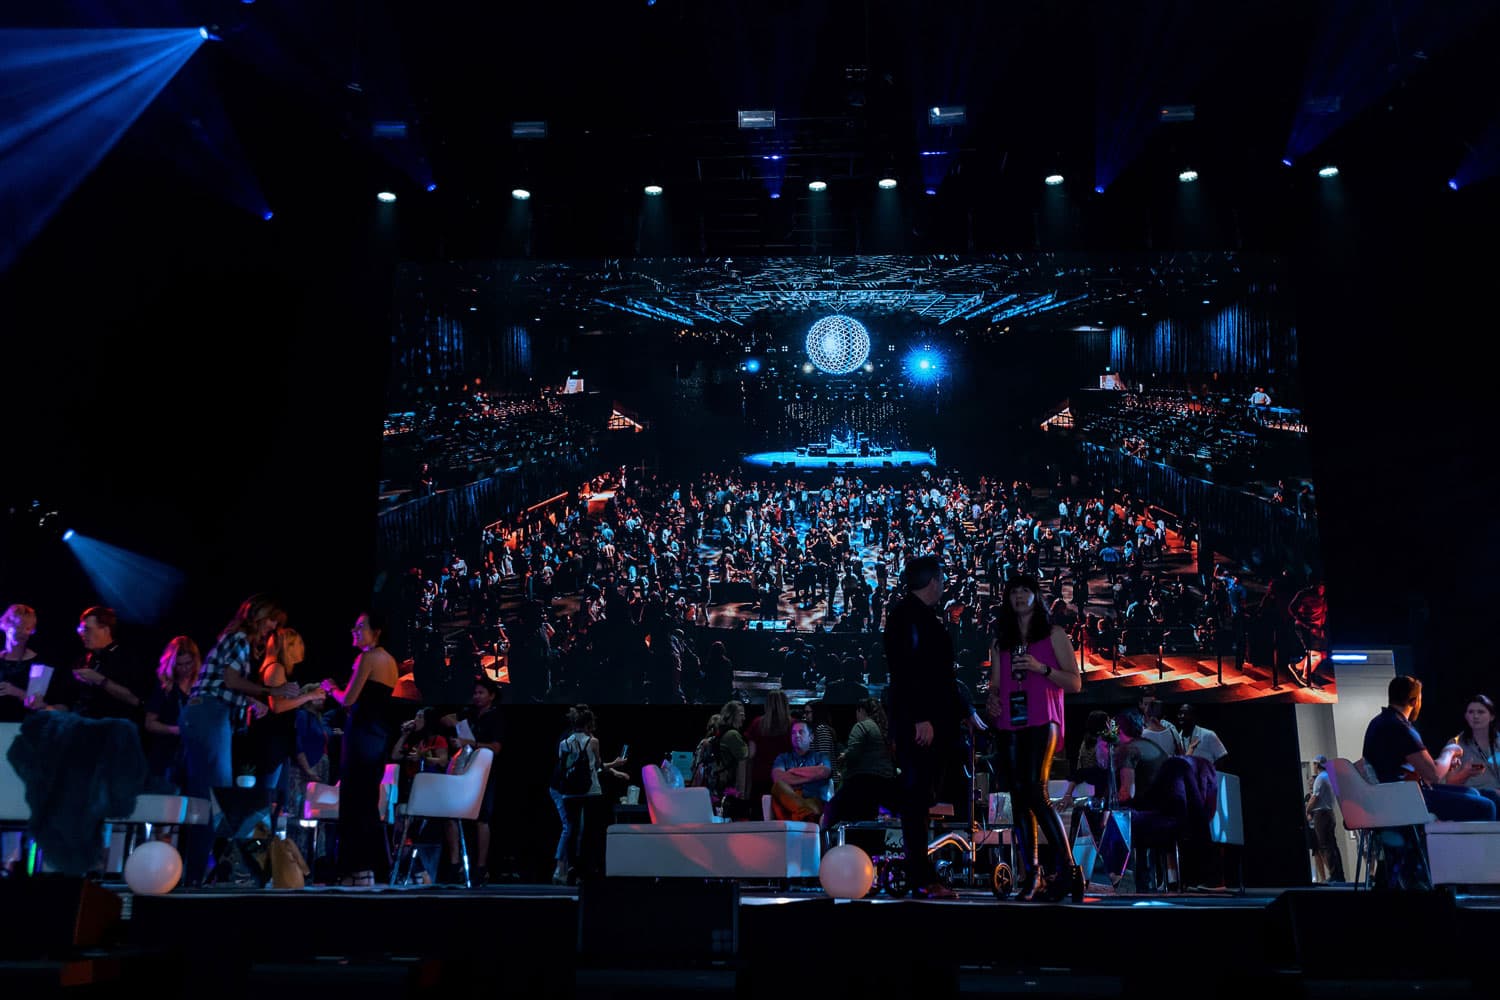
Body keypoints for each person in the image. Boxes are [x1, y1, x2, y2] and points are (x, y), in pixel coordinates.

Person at [985, 573, 1084, 902]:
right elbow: (996, 686)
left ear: (1036, 596)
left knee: (1035, 791)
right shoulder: (1001, 640)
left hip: (1044, 720)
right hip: (1011, 723)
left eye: (1025, 589)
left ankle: (1068, 870)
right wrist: (992, 699)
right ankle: (1035, 875)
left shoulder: (1054, 634)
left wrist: (1042, 669)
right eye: (1013, 591)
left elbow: (1074, 683)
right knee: (1018, 796)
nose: (1019, 595)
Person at [180, 594, 287, 885]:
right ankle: (202, 874)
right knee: (216, 796)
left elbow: (226, 683)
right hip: (210, 714)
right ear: (256, 616)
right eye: (269, 621)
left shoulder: (231, 638)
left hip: (201, 713)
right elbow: (231, 680)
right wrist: (268, 693)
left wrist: (252, 701)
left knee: (205, 796)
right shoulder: (240, 638)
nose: (270, 628)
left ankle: (195, 873)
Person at [883, 554, 967, 900]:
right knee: (916, 800)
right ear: (933, 581)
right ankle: (921, 875)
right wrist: (920, 717)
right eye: (942, 579)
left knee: (922, 797)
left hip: (931, 721)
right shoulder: (908, 618)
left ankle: (922, 873)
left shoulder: (920, 617)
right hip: (921, 723)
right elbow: (908, 672)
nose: (944, 584)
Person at [321, 611, 400, 886]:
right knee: (367, 803)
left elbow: (348, 699)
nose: (354, 630)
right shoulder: (390, 661)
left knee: (355, 802)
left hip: (361, 735)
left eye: (360, 626)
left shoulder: (367, 657)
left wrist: (331, 688)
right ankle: (368, 870)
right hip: (377, 737)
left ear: (376, 631)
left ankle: (355, 870)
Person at [1361, 676, 1495, 822]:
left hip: (1396, 794)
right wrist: (1449, 751)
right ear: (1414, 701)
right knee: (1487, 807)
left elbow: (1420, 772)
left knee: (1474, 793)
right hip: (1405, 798)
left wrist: (1446, 764)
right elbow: (1434, 775)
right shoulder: (1400, 728)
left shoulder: (1379, 722)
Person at [550, 704, 627, 884]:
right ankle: (584, 870)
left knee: (571, 829)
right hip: (590, 791)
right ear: (588, 723)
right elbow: (598, 765)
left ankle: (571, 868)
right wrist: (614, 765)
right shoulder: (593, 742)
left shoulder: (564, 743)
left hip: (569, 792)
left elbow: (564, 767)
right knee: (588, 831)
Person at [438, 675, 505, 884]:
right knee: (451, 814)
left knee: (482, 819)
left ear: (491, 696)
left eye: (481, 693)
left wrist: (470, 742)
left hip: (484, 772)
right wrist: (456, 725)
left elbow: (496, 748)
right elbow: (444, 718)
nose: (476, 697)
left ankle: (481, 867)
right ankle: (454, 863)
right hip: (462, 769)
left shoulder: (496, 718)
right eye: (474, 693)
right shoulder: (469, 714)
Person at [69, 606, 154, 724]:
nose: (82, 634)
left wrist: (100, 680)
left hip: (115, 732)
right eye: (81, 630)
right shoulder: (84, 660)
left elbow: (137, 700)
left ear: (105, 630)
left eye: (87, 629)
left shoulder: (127, 658)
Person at [143, 636, 200, 793]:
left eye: (188, 663)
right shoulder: (165, 687)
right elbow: (149, 723)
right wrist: (175, 730)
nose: (185, 669)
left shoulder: (202, 686)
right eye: (179, 665)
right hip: (167, 756)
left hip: (194, 755)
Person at [1443, 694, 1500, 814]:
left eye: (1481, 712)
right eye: (1471, 712)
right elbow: (1449, 784)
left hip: (1496, 793)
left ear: (1492, 716)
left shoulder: (1498, 742)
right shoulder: (1455, 744)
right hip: (1472, 795)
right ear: (1465, 716)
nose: (1475, 716)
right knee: (1491, 798)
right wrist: (1465, 773)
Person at [769, 719, 833, 823]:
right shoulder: (783, 758)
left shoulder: (821, 757)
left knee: (809, 807)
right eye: (793, 733)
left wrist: (792, 772)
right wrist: (811, 776)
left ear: (811, 737)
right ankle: (804, 815)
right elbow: (778, 777)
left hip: (813, 801)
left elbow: (824, 772)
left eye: (801, 732)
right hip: (789, 803)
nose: (797, 735)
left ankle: (800, 815)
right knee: (778, 785)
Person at [1305, 755, 1345, 883]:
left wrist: (1307, 809)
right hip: (1330, 812)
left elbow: (1314, 798)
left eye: (1314, 764)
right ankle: (1339, 873)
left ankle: (1334, 874)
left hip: (1321, 814)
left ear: (1317, 765)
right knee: (1333, 845)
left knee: (1325, 846)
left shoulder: (1320, 778)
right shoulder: (1330, 777)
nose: (1313, 767)